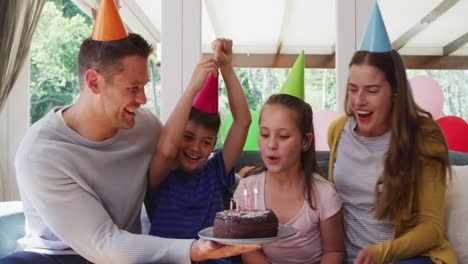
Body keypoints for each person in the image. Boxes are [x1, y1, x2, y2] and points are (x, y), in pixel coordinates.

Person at [0, 1, 259, 263]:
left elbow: (173, 150)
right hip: (60, 256)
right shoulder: (40, 154)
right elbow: (103, 244)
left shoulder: (143, 127)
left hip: (130, 251)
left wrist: (244, 179)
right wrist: (193, 250)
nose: (143, 99)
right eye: (133, 88)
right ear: (94, 82)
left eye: (144, 86)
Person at [327, 3, 457, 264]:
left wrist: (382, 253)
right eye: (353, 89)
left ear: (395, 92)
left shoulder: (424, 137)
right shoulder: (338, 131)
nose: (359, 101)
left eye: (372, 90)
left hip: (411, 258)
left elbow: (431, 227)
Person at [145, 38, 252, 264]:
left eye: (205, 142)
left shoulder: (215, 171)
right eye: (188, 137)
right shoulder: (160, 175)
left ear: (213, 145)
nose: (195, 148)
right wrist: (193, 87)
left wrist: (227, 69)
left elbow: (243, 121)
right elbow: (165, 150)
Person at [234, 52, 344, 264]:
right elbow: (248, 250)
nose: (271, 144)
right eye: (265, 134)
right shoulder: (247, 190)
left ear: (305, 141)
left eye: (283, 136)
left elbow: (334, 252)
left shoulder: (323, 194)